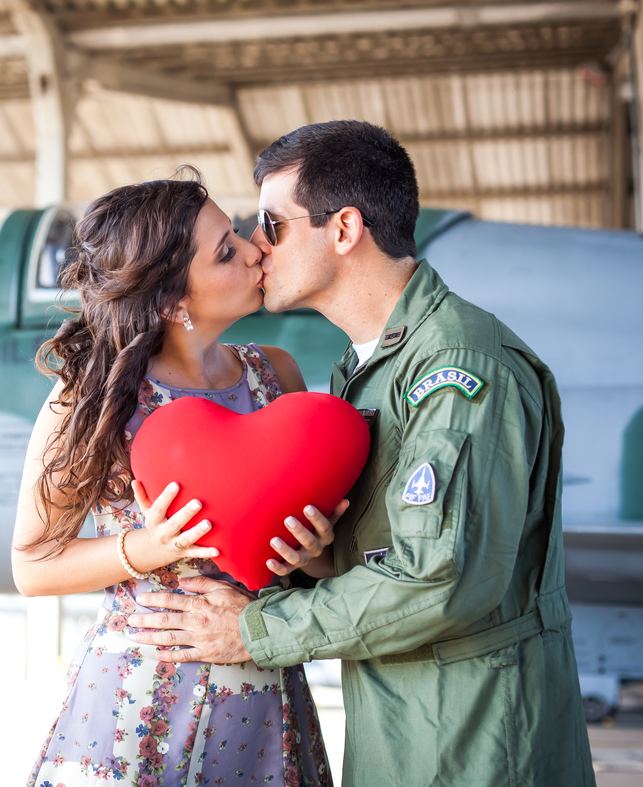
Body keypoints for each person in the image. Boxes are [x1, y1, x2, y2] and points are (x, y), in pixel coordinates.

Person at [128, 122, 597, 786]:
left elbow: (442, 579)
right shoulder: (366, 367)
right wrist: (316, 552)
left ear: (344, 229)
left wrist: (256, 630)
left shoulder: (456, 364)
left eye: (272, 223)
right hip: (401, 718)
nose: (256, 247)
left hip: (473, 734)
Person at [13, 168, 344, 787]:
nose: (254, 250)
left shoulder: (277, 376)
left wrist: (317, 554)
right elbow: (32, 566)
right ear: (172, 303)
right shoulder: (90, 398)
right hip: (132, 712)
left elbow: (312, 568)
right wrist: (150, 547)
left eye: (239, 233)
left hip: (264, 704)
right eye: (226, 252)